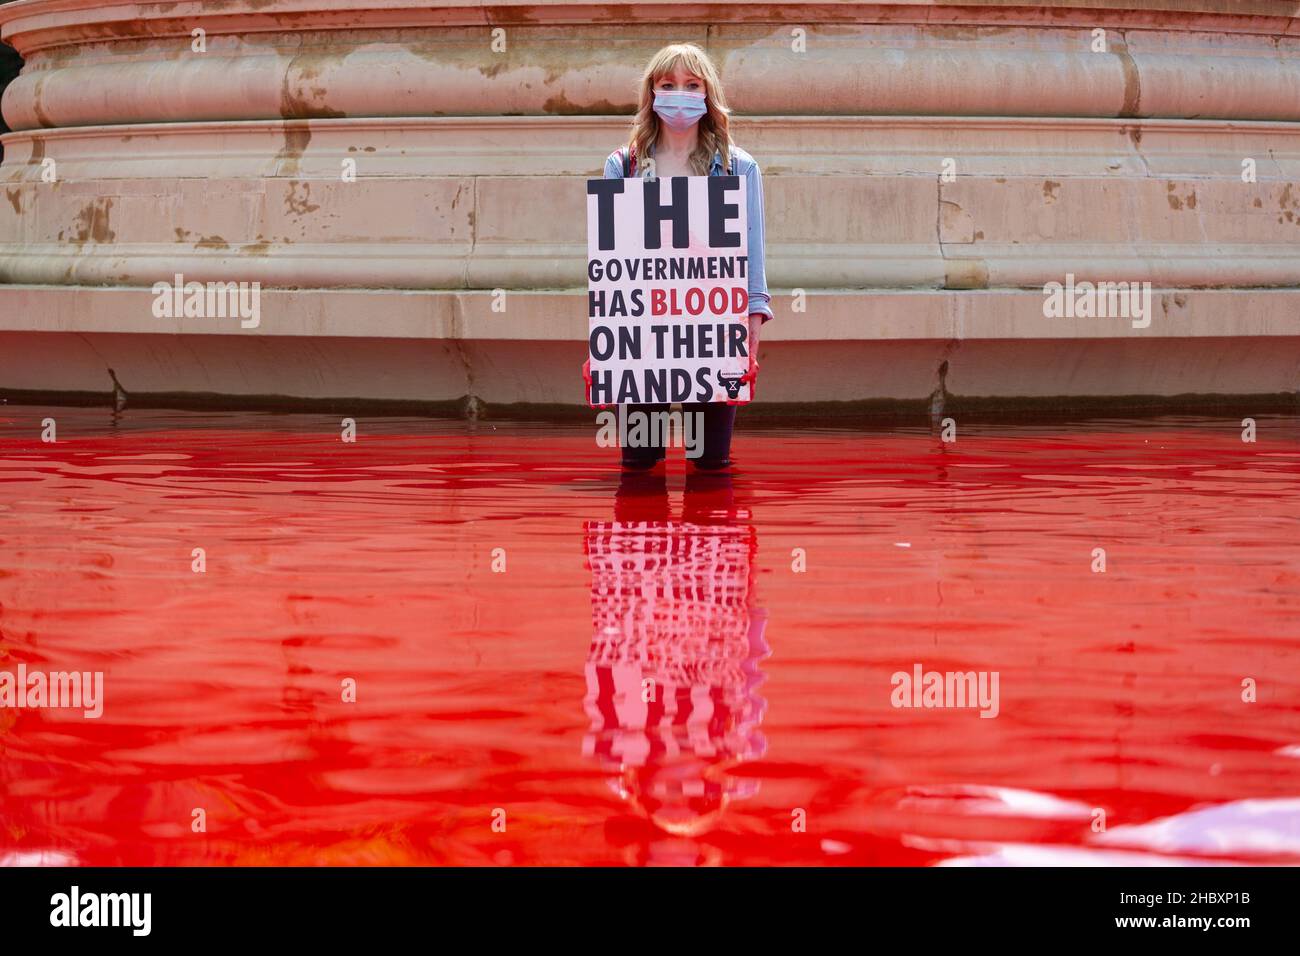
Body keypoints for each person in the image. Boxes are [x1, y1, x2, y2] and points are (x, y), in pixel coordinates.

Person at [601, 42, 773, 472]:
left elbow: (752, 251)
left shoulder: (738, 169)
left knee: (711, 462)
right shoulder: (623, 166)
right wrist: (601, 343)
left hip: (715, 331)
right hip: (641, 333)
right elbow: (610, 261)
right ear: (652, 93)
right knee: (640, 462)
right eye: (668, 84)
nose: (680, 92)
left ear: (707, 93)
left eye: (692, 84)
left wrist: (753, 324)